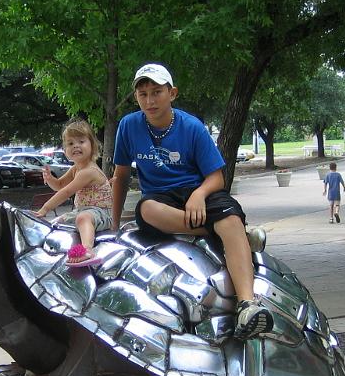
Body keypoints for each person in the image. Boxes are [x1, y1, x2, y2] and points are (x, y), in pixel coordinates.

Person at [111, 63, 273, 339]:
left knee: (230, 217)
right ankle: (234, 237)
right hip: (161, 199)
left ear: (172, 93)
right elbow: (121, 176)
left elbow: (217, 178)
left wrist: (199, 195)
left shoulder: (192, 126)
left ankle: (248, 305)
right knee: (146, 210)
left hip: (198, 191)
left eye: (157, 92)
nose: (149, 101)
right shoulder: (128, 125)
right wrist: (114, 225)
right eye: (143, 94)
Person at [35, 119, 113, 267]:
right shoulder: (76, 169)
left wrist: (45, 209)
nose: (76, 145)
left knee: (83, 218)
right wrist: (50, 179)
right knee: (55, 224)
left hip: (101, 213)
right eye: (70, 143)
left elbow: (66, 192)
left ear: (92, 145)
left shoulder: (89, 171)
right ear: (65, 150)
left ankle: (87, 250)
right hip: (81, 210)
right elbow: (59, 185)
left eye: (81, 141)